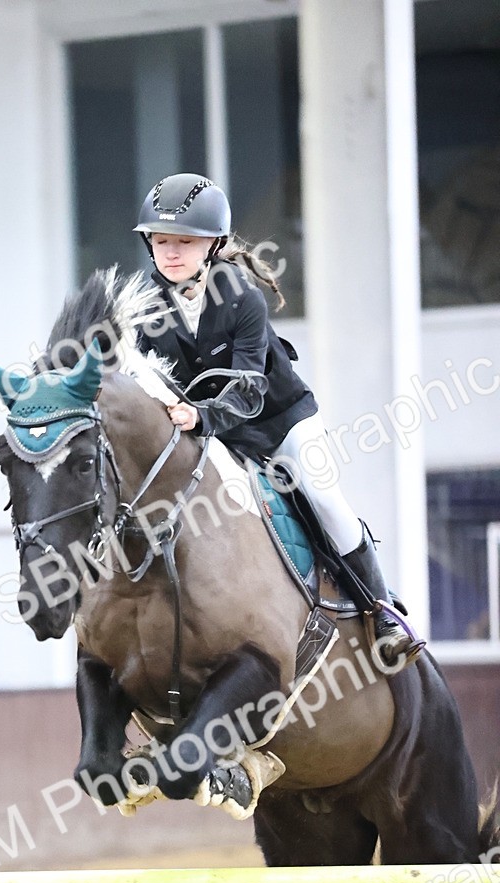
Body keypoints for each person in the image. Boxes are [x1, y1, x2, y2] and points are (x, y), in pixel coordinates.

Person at [133, 172, 424, 667]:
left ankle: (382, 613)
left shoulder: (241, 297)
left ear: (213, 245)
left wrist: (200, 416)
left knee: (324, 496)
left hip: (277, 422)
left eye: (185, 241)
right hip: (207, 435)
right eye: (161, 241)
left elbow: (248, 389)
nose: (171, 252)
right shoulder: (144, 308)